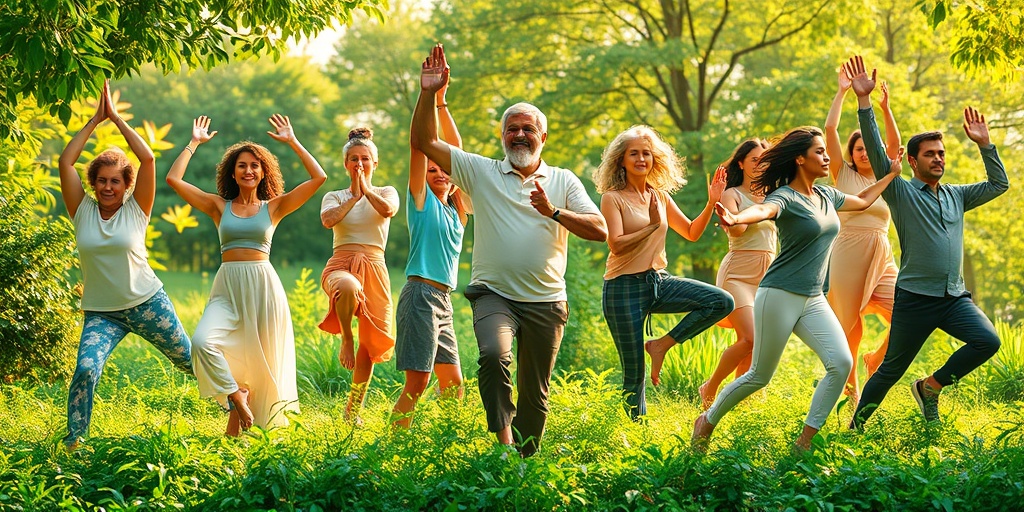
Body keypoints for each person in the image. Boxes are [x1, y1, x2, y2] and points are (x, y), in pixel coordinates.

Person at [410, 44, 608, 456]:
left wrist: (553, 212)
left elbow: (599, 230)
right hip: (493, 293)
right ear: (502, 135)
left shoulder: (564, 180)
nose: (519, 135)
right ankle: (502, 446)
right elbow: (424, 140)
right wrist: (429, 93)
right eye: (512, 128)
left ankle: (524, 462)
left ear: (543, 137)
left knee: (535, 395)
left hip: (547, 300)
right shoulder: (481, 171)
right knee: (494, 355)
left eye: (527, 128)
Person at [693, 125, 903, 452]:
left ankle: (804, 442)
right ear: (801, 159)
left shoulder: (826, 196)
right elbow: (763, 210)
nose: (827, 157)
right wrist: (735, 219)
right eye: (819, 152)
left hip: (814, 298)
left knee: (841, 363)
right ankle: (706, 421)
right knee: (758, 376)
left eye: (825, 151)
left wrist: (890, 174)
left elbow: (862, 199)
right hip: (779, 295)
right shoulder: (784, 197)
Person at [847, 55, 1008, 427]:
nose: (938, 159)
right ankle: (855, 429)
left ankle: (930, 387)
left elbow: (1000, 184)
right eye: (930, 154)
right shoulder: (902, 194)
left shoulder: (957, 195)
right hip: (916, 299)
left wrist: (986, 145)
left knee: (988, 341)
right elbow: (874, 149)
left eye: (942, 153)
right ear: (914, 162)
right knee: (890, 370)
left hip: (954, 298)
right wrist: (864, 103)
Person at [167, 114, 327, 435]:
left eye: (255, 165)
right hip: (227, 288)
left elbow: (318, 178)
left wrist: (292, 140)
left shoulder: (274, 207)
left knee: (258, 365)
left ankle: (237, 442)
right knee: (202, 342)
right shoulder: (217, 206)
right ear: (233, 172)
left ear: (263, 172)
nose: (249, 170)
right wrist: (194, 143)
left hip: (262, 288)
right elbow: (173, 180)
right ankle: (236, 397)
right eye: (242, 165)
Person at [59, 80, 193, 449]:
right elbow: (65, 161)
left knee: (190, 361)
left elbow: (148, 159)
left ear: (125, 184)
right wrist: (94, 122)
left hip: (147, 303)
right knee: (86, 368)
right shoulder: (82, 210)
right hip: (102, 312)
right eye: (101, 181)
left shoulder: (137, 210)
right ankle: (75, 440)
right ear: (93, 183)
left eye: (115, 181)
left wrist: (116, 119)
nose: (107, 187)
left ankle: (238, 399)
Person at [594, 125, 734, 420]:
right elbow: (616, 246)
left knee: (721, 302)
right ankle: (637, 432)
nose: (641, 158)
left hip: (658, 281)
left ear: (654, 158)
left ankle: (660, 344)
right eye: (634, 153)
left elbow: (692, 233)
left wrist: (711, 203)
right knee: (634, 374)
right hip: (622, 289)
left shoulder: (660, 197)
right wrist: (651, 226)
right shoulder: (612, 198)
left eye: (646, 153)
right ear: (621, 159)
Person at [391, 47, 470, 428]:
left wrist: (442, 101)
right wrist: (425, 94)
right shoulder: (420, 202)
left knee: (454, 384)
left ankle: (444, 448)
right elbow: (419, 144)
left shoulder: (459, 209)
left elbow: (459, 153)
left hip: (444, 301)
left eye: (445, 169)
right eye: (433, 169)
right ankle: (390, 447)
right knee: (417, 384)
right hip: (420, 295)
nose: (440, 172)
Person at [824, 63, 902, 405]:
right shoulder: (841, 174)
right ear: (851, 155)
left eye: (867, 148)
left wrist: (884, 108)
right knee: (848, 331)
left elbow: (895, 144)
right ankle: (852, 397)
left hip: (882, 254)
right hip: (847, 255)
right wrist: (842, 92)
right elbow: (829, 128)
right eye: (857, 149)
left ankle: (876, 359)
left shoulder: (885, 177)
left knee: (907, 310)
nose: (863, 153)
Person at [318, 127, 399, 424]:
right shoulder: (334, 196)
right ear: (345, 164)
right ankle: (346, 338)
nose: (359, 164)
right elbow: (328, 220)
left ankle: (352, 410)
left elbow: (388, 210)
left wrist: (366, 189)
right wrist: (353, 196)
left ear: (375, 163)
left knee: (371, 341)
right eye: (353, 159)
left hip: (376, 268)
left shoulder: (386, 192)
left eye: (365, 158)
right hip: (341, 263)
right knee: (348, 286)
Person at [698, 139, 776, 410]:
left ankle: (739, 400)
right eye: (754, 159)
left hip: (767, 275)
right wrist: (732, 216)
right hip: (738, 274)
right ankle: (711, 386)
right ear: (741, 163)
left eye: (764, 160)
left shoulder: (775, 194)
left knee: (756, 345)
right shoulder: (732, 194)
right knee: (750, 338)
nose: (760, 165)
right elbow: (738, 231)